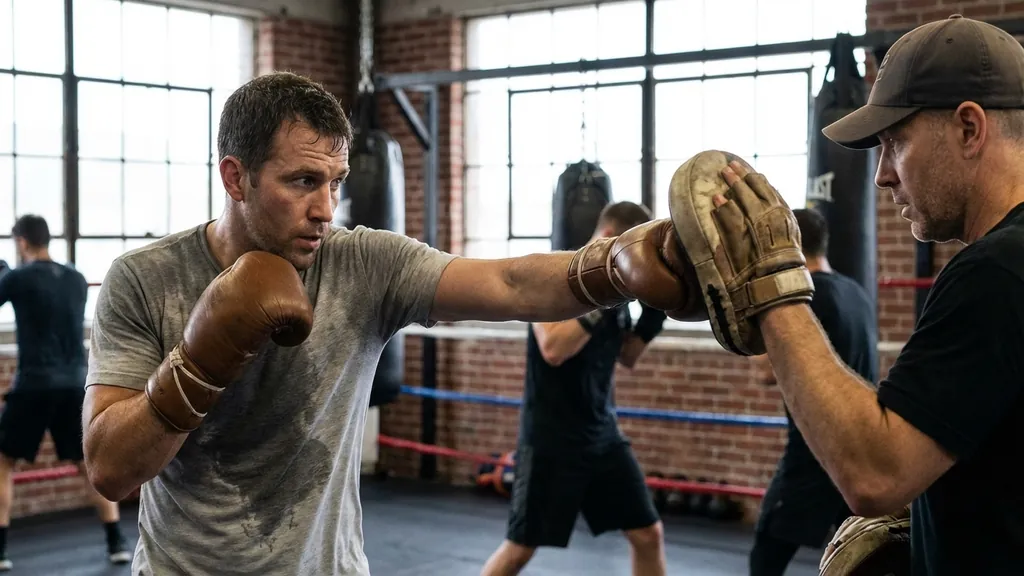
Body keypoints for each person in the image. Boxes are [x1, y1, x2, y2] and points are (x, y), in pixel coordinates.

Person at [81, 71, 701, 576]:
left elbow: (509, 282)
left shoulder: (364, 263)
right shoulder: (145, 279)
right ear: (235, 176)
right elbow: (110, 469)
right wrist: (199, 362)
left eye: (336, 183)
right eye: (303, 181)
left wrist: (620, 266)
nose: (325, 209)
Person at [698, 14, 1024, 575]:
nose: (881, 175)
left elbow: (875, 476)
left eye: (895, 143)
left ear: (969, 129)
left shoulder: (996, 271)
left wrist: (772, 279)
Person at [480, 201, 669, 576]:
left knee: (648, 534)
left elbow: (627, 356)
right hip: (551, 439)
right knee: (520, 549)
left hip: (602, 435)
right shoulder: (552, 277)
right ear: (609, 237)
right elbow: (554, 348)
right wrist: (606, 294)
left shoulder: (617, 295)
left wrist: (656, 311)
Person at [748, 208, 878, 576]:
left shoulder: (807, 299)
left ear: (786, 246)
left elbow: (765, 372)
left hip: (815, 453)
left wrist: (752, 304)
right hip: (859, 448)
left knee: (765, 557)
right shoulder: (856, 292)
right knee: (859, 559)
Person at [0, 215, 131, 571]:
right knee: (87, 464)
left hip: (33, 384)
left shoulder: (17, 278)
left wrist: (4, 273)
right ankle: (116, 541)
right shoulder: (75, 278)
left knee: (4, 462)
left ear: (22, 242)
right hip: (75, 383)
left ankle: (1, 551)